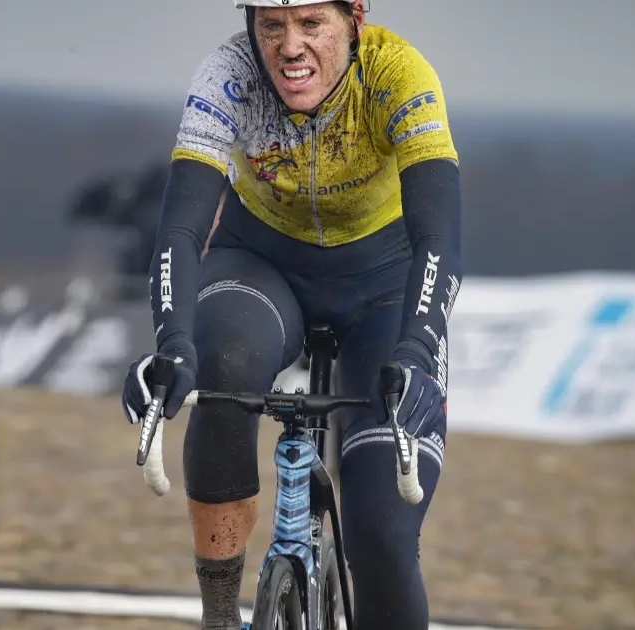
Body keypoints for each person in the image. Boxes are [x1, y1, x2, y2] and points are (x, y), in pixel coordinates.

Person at [121, 1, 462, 628]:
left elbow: (438, 238)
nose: (289, 46)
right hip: (262, 266)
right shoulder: (229, 75)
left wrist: (416, 351)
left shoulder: (398, 75)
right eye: (272, 25)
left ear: (355, 18)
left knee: (382, 539)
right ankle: (220, 616)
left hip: (384, 287)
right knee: (221, 370)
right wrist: (172, 343)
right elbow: (180, 231)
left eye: (311, 24)